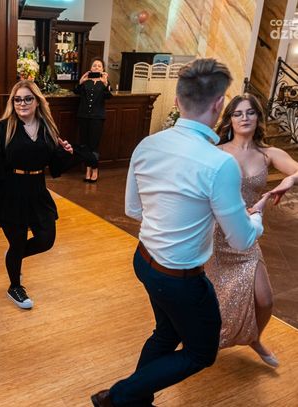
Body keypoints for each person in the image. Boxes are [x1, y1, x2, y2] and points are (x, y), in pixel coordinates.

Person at [91, 59, 269, 407]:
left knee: (166, 333)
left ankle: (136, 401)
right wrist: (257, 217)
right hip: (180, 278)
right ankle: (118, 396)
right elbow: (242, 239)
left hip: (144, 260)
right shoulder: (220, 164)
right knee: (201, 352)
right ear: (219, 104)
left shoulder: (147, 145)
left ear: (176, 100)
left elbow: (133, 210)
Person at [204, 93, 298, 368]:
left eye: (250, 112)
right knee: (211, 296)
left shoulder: (268, 153)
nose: (244, 118)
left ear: (258, 117)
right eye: (238, 113)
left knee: (265, 300)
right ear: (230, 120)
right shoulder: (216, 151)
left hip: (245, 236)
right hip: (216, 234)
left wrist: (290, 181)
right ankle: (200, 341)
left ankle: (254, 338)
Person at [0, 80, 73, 310]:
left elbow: (55, 166)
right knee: (17, 241)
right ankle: (15, 287)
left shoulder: (47, 127)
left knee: (46, 239)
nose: (22, 103)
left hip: (37, 190)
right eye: (17, 99)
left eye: (28, 98)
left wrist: (66, 153)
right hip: (9, 192)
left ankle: (14, 254)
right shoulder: (3, 127)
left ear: (37, 101)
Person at [74, 57, 112, 182]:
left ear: (103, 69)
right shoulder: (86, 81)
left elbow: (108, 96)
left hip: (97, 117)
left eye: (99, 66)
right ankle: (88, 169)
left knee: (94, 145)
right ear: (91, 68)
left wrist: (106, 84)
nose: (96, 67)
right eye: (94, 65)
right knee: (84, 145)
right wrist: (81, 81)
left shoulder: (105, 82)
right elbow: (76, 91)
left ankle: (95, 169)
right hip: (83, 116)